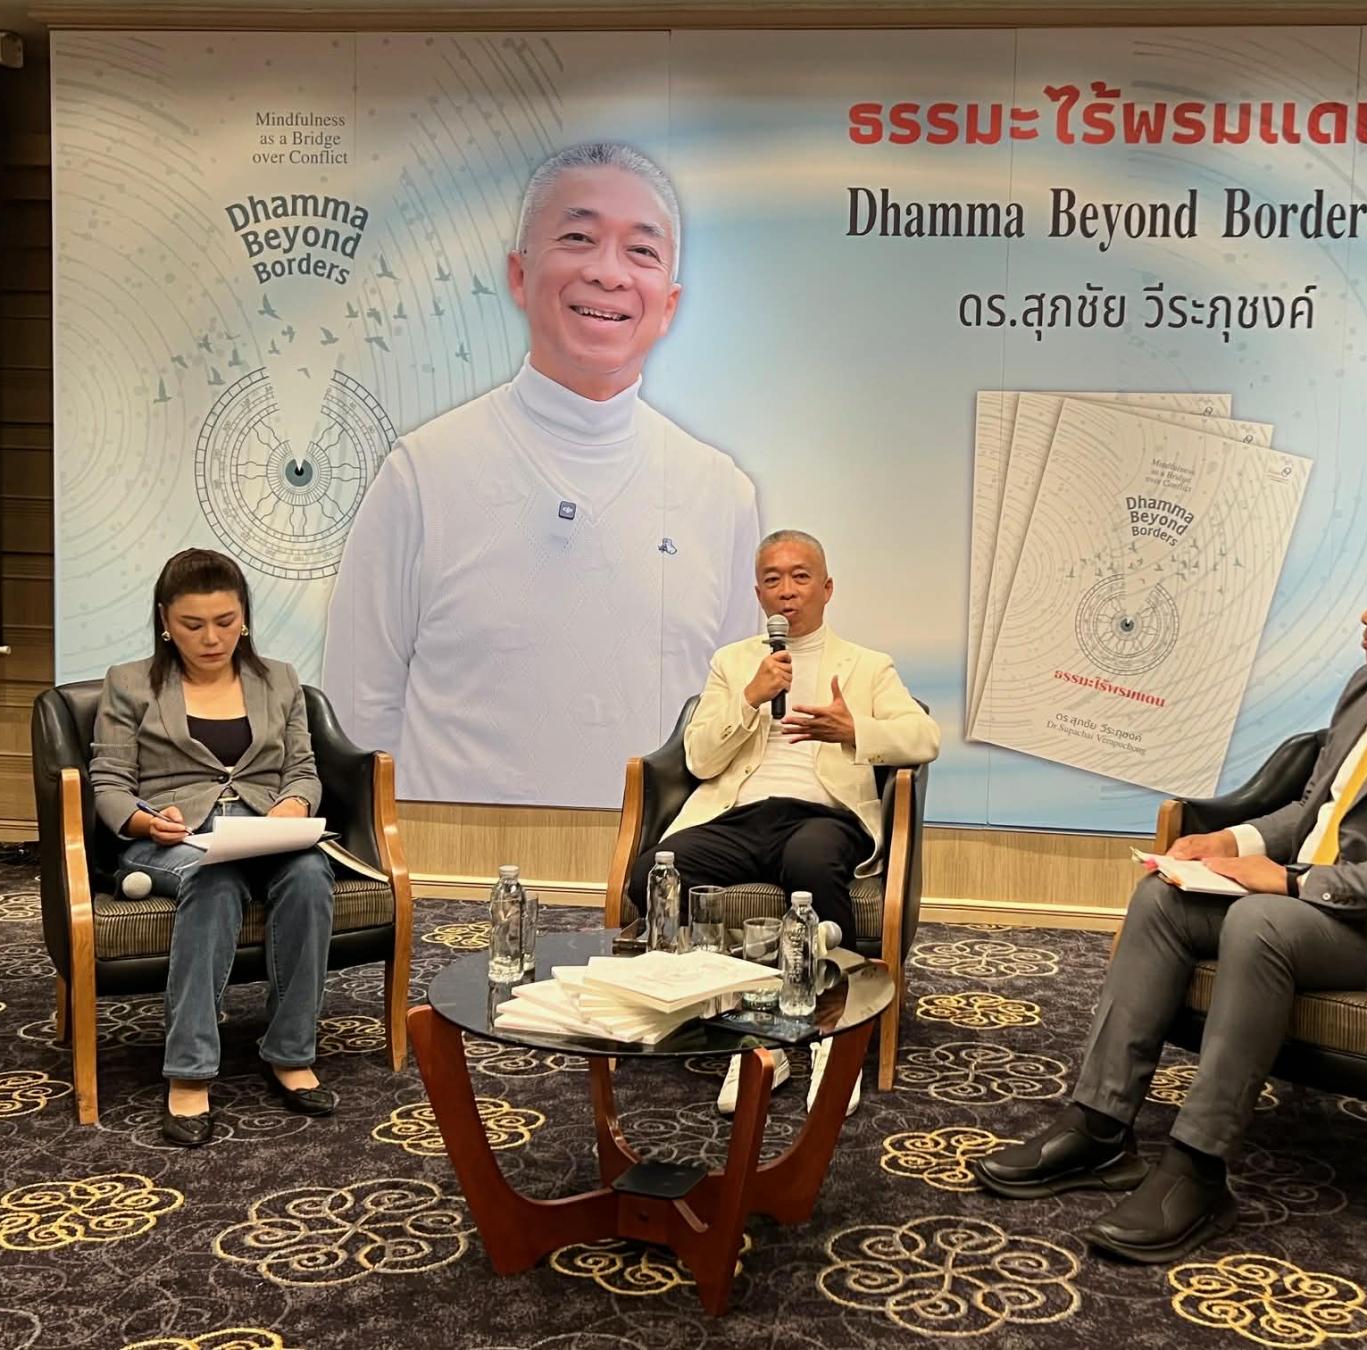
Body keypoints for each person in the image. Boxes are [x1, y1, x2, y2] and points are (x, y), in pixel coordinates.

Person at [971, 542, 1367, 1262]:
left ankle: (1199, 1169)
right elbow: (1316, 810)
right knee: (1162, 897)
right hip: (1305, 898)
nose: (1366, 616)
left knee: (1262, 921)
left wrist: (1293, 883)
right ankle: (1100, 1127)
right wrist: (1231, 842)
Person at [323, 141, 760, 807]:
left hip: (659, 864)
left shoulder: (720, 494)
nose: (608, 273)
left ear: (669, 303)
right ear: (519, 274)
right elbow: (357, 720)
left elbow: (738, 724)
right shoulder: (424, 474)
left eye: (641, 250)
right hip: (460, 868)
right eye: (579, 238)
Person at [631, 529, 940, 1116]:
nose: (787, 591)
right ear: (759, 594)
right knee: (653, 873)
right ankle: (751, 1033)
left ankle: (830, 1035)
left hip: (825, 815)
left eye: (800, 577)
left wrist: (854, 730)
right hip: (742, 815)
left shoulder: (867, 666)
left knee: (809, 863)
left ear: (827, 588)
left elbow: (924, 738)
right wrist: (749, 698)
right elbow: (700, 761)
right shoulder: (733, 663)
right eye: (772, 580)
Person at [90, 549, 338, 1148]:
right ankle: (190, 1069)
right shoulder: (129, 683)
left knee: (309, 874)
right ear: (165, 621)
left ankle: (291, 1052)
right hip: (173, 839)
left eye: (225, 622)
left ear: (244, 616)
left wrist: (294, 804)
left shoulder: (279, 680)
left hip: (263, 830)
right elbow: (109, 783)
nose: (211, 638)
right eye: (193, 624)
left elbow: (303, 769)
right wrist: (147, 820)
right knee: (212, 877)